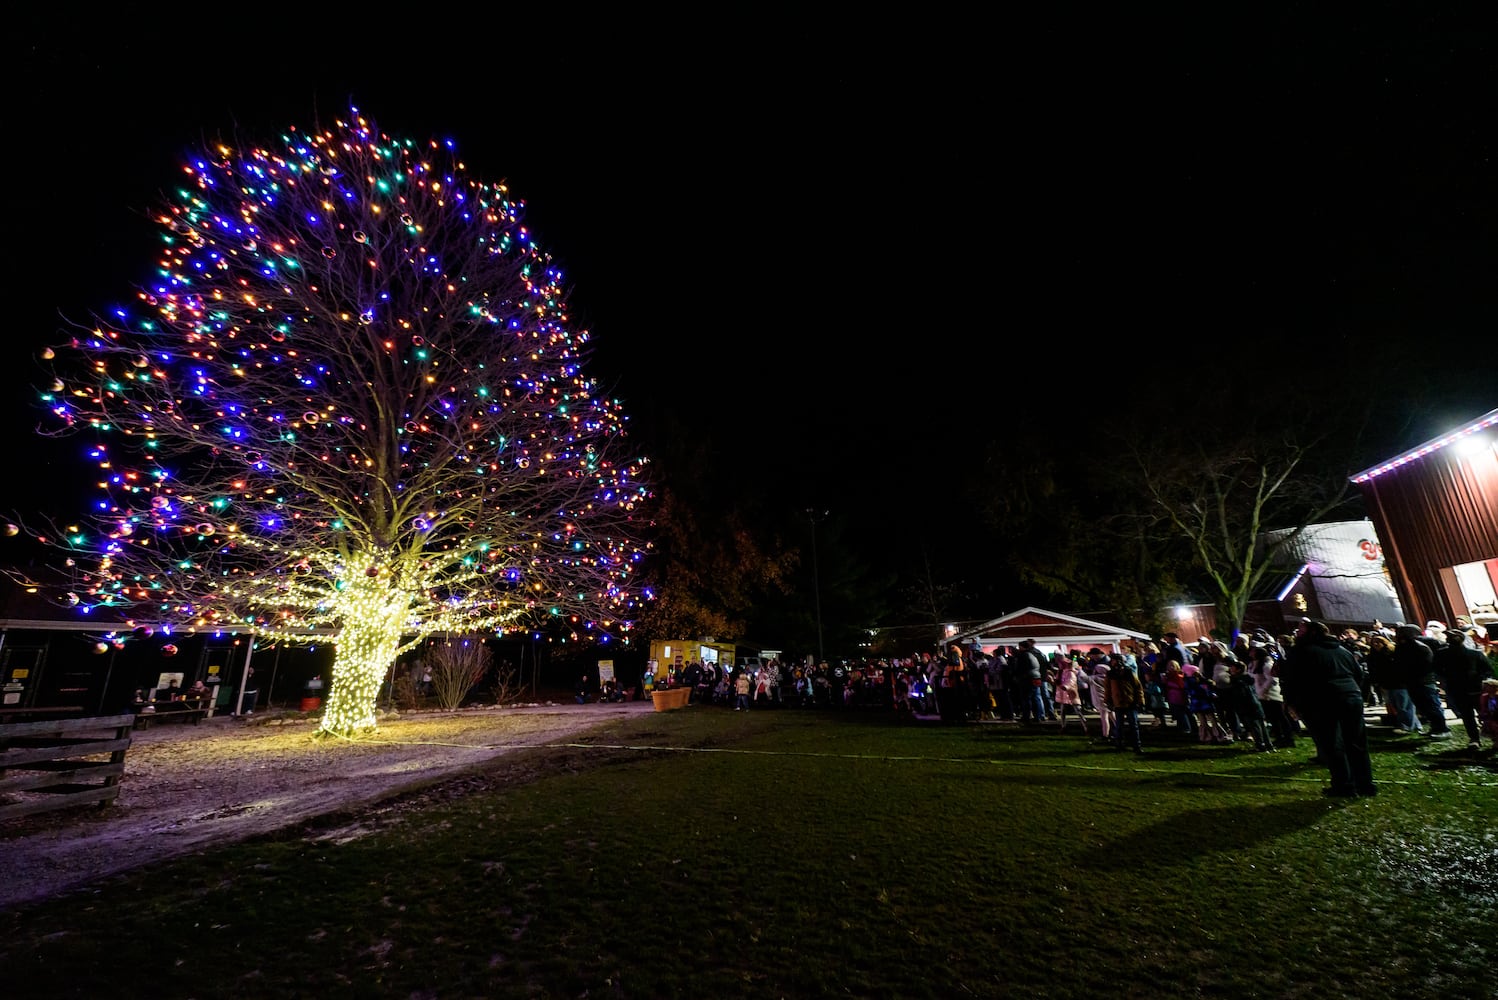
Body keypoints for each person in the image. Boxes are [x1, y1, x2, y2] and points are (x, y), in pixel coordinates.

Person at [1279, 619, 1377, 798]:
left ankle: (1344, 785)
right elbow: (1359, 674)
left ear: (1310, 633)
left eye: (1300, 630)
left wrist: (1291, 702)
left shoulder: (1301, 652)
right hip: (1350, 697)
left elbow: (1292, 679)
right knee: (1356, 742)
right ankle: (1365, 784)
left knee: (1332, 744)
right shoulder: (1341, 650)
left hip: (1321, 700)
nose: (1297, 633)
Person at [1433, 627, 1493, 750]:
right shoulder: (1443, 654)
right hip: (1462, 689)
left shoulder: (1474, 654)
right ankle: (1476, 739)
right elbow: (1437, 670)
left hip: (1472, 689)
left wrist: (1480, 679)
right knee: (1470, 716)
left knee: (1481, 715)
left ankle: (1486, 737)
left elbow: (1487, 670)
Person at [1106, 654, 1145, 752]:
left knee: (1134, 725)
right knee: (1119, 725)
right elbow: (1107, 689)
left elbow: (1138, 687)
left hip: (1130, 702)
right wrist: (1108, 701)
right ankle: (1119, 744)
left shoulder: (1129, 672)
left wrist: (1140, 701)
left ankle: (1136, 745)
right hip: (1118, 703)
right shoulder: (1110, 674)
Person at [1052, 653, 1088, 735]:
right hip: (1062, 693)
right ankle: (1063, 726)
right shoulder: (1061, 671)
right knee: (1063, 711)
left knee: (1077, 710)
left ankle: (1085, 726)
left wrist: (1065, 686)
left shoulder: (1070, 672)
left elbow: (1071, 682)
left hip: (1071, 693)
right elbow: (1057, 681)